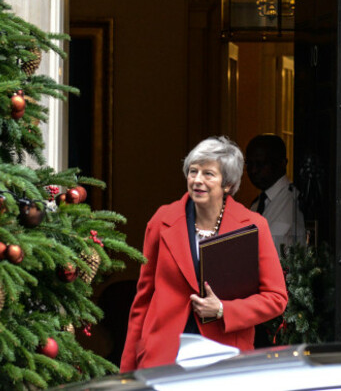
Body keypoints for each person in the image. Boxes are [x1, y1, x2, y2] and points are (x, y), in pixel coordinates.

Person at [120, 136, 287, 372]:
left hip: (224, 357)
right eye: (193, 171)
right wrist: (127, 373)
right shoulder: (162, 220)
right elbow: (143, 301)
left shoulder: (253, 225)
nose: (197, 180)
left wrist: (222, 310)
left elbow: (276, 298)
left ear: (227, 184)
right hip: (164, 357)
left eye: (208, 174)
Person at [245, 134, 306, 252]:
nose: (253, 170)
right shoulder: (256, 205)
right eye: (249, 164)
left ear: (282, 163)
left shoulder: (295, 200)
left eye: (260, 164)